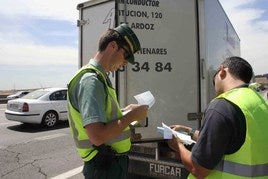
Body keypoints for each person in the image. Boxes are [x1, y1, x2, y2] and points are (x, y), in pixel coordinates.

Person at [67, 23, 149, 179]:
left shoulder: (99, 78)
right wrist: (132, 116)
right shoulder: (91, 80)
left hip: (108, 163)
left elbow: (103, 121)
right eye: (126, 55)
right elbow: (97, 136)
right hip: (104, 166)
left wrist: (125, 112)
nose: (126, 63)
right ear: (113, 46)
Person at [167, 56, 268, 179]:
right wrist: (190, 131)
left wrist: (178, 145)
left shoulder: (222, 106)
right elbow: (230, 138)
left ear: (222, 71)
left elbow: (198, 169)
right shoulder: (259, 103)